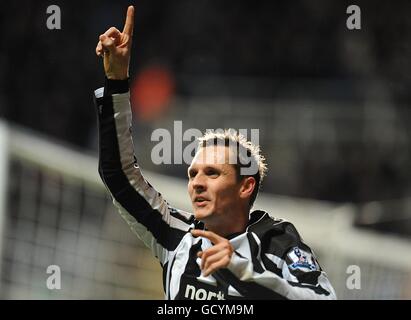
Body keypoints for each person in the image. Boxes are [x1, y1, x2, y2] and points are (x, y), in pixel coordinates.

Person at [93, 6, 336, 300]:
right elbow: (119, 176)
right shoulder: (176, 236)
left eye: (212, 173)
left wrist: (242, 272)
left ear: (245, 186)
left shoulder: (278, 243)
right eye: (193, 173)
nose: (196, 182)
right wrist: (116, 82)